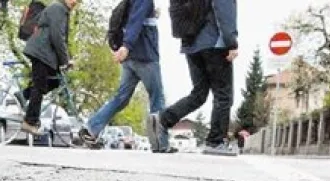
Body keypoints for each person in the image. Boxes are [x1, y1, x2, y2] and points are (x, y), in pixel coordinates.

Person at [78, 0, 173, 153]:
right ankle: (161, 143)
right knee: (157, 99)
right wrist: (126, 46)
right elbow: (136, 21)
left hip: (130, 61)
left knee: (120, 98)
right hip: (145, 57)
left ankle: (91, 129)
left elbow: (134, 20)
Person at [148, 0, 238, 156]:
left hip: (191, 45)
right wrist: (231, 42)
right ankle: (215, 142)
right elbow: (224, 10)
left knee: (199, 94)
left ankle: (163, 119)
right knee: (223, 95)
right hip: (214, 43)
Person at [22, 0, 80, 136]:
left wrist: (65, 60)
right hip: (41, 52)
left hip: (47, 55)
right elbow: (57, 36)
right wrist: (65, 60)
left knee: (55, 82)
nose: (75, 2)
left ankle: (23, 96)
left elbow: (61, 39)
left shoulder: (63, 11)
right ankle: (30, 122)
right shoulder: (58, 8)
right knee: (40, 86)